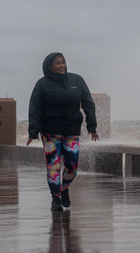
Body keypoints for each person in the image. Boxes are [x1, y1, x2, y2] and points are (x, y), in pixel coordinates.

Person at [28, 52, 99, 211]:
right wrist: (33, 132)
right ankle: (55, 199)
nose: (62, 66)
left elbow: (88, 103)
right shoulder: (42, 84)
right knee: (53, 166)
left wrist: (92, 127)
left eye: (63, 62)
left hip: (71, 131)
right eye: (57, 63)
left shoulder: (77, 80)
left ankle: (64, 188)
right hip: (50, 132)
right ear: (49, 66)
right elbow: (34, 108)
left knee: (72, 165)